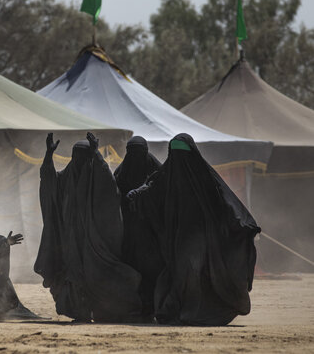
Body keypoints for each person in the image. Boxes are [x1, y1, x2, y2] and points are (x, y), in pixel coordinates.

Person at [127, 133, 261, 325]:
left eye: (182, 152)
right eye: (175, 152)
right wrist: (138, 195)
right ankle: (180, 310)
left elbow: (226, 202)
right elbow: (153, 187)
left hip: (203, 236)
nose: (179, 158)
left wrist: (242, 225)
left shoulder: (204, 176)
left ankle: (196, 312)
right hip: (176, 233)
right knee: (180, 272)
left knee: (193, 270)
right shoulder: (169, 172)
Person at [35, 132, 143, 323]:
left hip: (94, 242)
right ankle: (79, 311)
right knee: (73, 275)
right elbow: (49, 182)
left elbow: (110, 189)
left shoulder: (97, 177)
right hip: (70, 241)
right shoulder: (65, 178)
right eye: (76, 155)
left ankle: (103, 310)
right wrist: (48, 156)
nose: (79, 160)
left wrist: (96, 155)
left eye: (84, 156)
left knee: (96, 274)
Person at [113, 136, 163, 318]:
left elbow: (162, 190)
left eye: (139, 153)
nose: (135, 157)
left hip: (152, 233)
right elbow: (111, 195)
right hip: (128, 233)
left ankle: (153, 308)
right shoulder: (121, 173)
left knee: (153, 271)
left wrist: (144, 192)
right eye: (132, 152)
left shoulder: (156, 172)